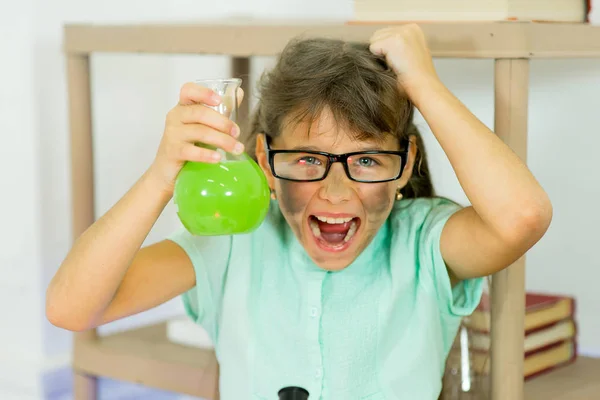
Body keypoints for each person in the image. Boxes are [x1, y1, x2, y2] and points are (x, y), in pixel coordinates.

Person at [46, 24, 552, 399]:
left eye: (367, 160)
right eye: (308, 159)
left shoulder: (423, 243)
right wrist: (162, 174)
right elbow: (71, 307)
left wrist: (424, 84)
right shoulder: (232, 243)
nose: (335, 192)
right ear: (265, 162)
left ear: (405, 166)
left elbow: (522, 217)